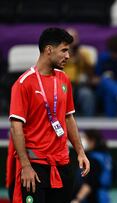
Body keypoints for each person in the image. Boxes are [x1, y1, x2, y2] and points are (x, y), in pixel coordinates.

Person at [8, 27, 90, 203]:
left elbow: (69, 118)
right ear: (49, 50)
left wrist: (80, 152)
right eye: (64, 50)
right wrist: (25, 166)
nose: (68, 56)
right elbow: (16, 127)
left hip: (62, 164)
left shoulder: (64, 79)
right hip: (34, 166)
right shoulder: (23, 84)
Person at [71, 129, 113, 203]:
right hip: (104, 197)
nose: (82, 142)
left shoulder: (94, 159)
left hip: (94, 198)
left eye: (85, 138)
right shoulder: (106, 157)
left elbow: (90, 182)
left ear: (92, 141)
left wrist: (77, 199)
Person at [64, 28, 97, 117]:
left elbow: (91, 73)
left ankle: (89, 125)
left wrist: (82, 60)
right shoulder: (59, 54)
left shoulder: (84, 53)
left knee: (87, 95)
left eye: (75, 37)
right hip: (63, 86)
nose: (73, 39)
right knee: (61, 96)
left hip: (80, 86)